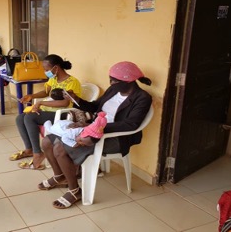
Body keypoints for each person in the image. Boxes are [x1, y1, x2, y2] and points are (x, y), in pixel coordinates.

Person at [39, 61, 152, 209]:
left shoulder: (142, 97)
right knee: (47, 142)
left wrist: (95, 128)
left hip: (114, 137)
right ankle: (60, 176)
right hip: (91, 129)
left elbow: (131, 124)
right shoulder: (113, 90)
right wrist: (76, 99)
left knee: (59, 148)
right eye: (110, 78)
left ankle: (74, 190)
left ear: (129, 81)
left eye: (115, 80)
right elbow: (94, 107)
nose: (111, 83)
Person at [12, 54, 82, 170]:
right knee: (20, 118)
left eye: (47, 69)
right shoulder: (53, 78)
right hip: (50, 110)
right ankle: (29, 149)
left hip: (63, 113)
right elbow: (45, 92)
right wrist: (31, 96)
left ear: (56, 68)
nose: (45, 72)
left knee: (30, 118)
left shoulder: (72, 82)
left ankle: (37, 153)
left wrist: (41, 103)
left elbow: (64, 103)